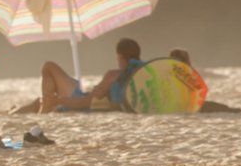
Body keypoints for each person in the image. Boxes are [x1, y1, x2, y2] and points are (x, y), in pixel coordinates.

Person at [11, 37, 144, 114]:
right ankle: (20, 110)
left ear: (120, 56)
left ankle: (41, 110)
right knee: (38, 102)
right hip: (92, 102)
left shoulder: (113, 75)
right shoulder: (144, 72)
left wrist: (55, 100)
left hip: (80, 103)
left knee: (48, 67)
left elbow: (84, 102)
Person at [168, 48, 241, 113]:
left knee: (226, 108)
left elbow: (198, 91)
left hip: (185, 105)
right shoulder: (169, 73)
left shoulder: (188, 74)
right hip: (181, 105)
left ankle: (229, 110)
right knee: (227, 109)